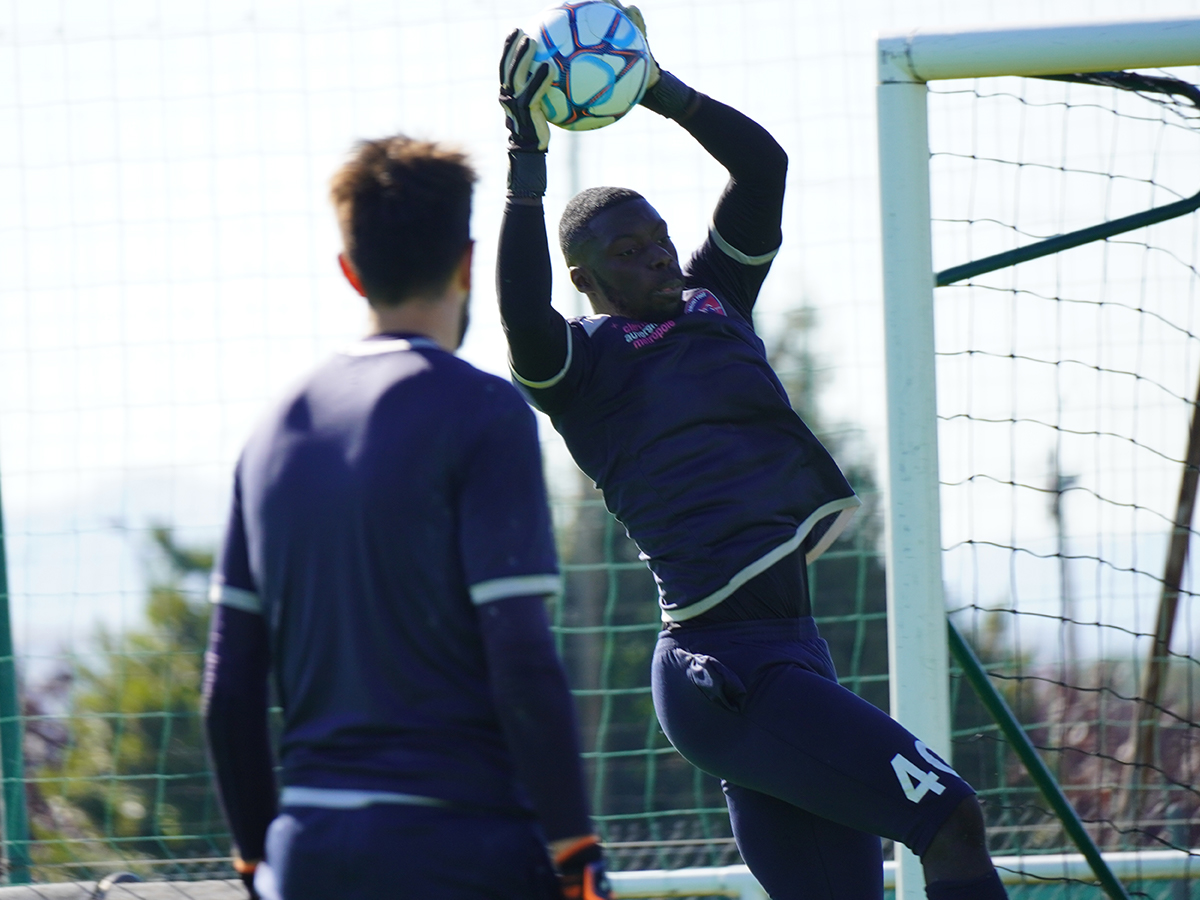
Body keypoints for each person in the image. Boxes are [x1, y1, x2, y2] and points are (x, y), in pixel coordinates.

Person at [496, 11, 1009, 900]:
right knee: (949, 816)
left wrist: (655, 86)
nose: (658, 255)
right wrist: (525, 165)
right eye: (630, 250)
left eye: (659, 235)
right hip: (722, 668)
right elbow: (518, 314)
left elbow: (762, 165)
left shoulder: (715, 296)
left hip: (793, 652)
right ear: (584, 279)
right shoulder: (581, 368)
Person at [203, 135, 611, 900]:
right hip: (462, 846)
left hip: (311, 854)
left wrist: (259, 863)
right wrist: (576, 849)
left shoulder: (270, 434)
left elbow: (229, 688)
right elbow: (519, 656)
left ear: (351, 272)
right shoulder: (484, 410)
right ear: (466, 263)